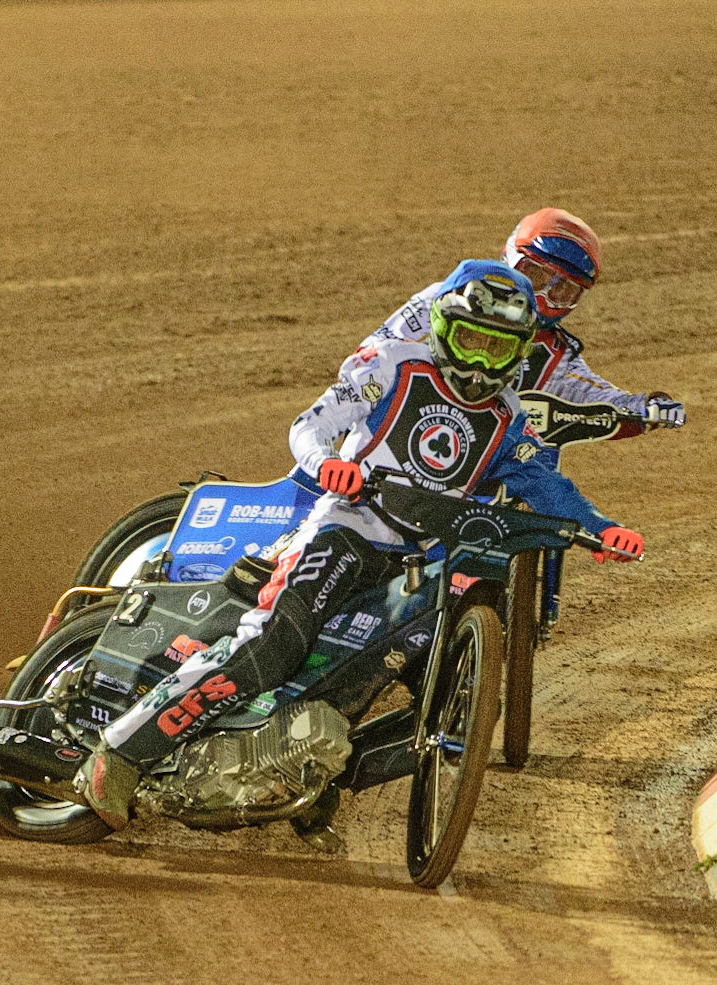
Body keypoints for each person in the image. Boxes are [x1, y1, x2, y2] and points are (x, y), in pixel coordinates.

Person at [78, 261, 643, 828]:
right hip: (345, 530)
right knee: (275, 643)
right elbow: (311, 424)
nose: (478, 361)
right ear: (444, 328)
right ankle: (122, 753)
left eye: (496, 350)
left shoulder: (509, 419)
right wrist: (327, 464)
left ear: (518, 354)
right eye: (470, 339)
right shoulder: (391, 366)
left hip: (420, 565)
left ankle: (301, 775)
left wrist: (601, 528)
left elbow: (548, 486)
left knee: (418, 688)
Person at [367, 208, 685, 469]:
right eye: (535, 275)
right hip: (409, 440)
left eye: (562, 289)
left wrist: (646, 407)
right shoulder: (449, 299)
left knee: (541, 460)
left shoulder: (556, 358)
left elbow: (595, 398)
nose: (544, 295)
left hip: (488, 470)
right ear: (510, 256)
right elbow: (378, 350)